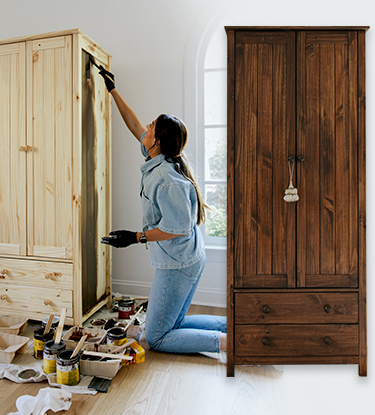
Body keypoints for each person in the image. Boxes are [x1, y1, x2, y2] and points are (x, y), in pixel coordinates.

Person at [99, 67, 227, 355]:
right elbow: (135, 128)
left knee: (156, 338)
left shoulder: (166, 179)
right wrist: (113, 91)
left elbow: (177, 228)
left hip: (179, 263)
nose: (146, 128)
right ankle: (240, 328)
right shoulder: (160, 157)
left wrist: (135, 237)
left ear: (156, 141)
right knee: (176, 322)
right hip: (188, 256)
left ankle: (232, 345)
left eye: (151, 127)